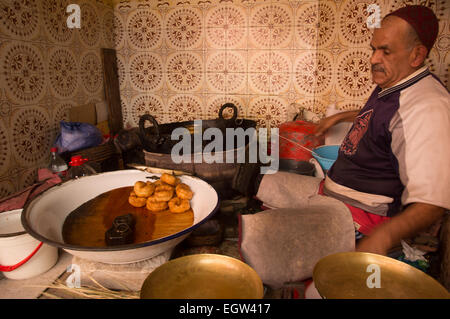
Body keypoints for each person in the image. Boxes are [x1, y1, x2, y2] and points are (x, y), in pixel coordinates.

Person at [233, 5, 450, 256]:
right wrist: (339, 118)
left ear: (417, 55)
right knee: (263, 182)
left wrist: (382, 239)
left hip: (361, 215)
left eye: (385, 51)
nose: (373, 59)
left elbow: (431, 204)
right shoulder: (396, 84)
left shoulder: (428, 107)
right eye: (373, 49)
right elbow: (386, 121)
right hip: (333, 189)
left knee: (260, 241)